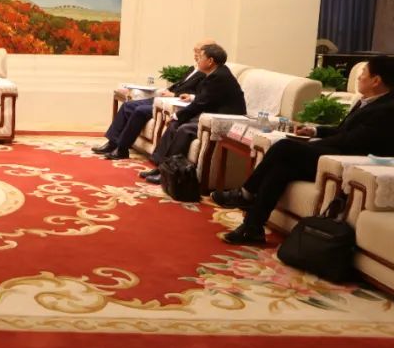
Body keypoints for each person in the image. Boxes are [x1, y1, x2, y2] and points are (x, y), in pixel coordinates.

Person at [212, 56, 394, 244]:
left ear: (376, 80)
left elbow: (352, 141)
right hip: (334, 153)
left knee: (283, 146)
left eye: (363, 73)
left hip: (349, 162)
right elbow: (342, 131)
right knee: (281, 169)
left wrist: (311, 145)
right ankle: (252, 228)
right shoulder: (367, 102)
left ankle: (246, 193)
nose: (359, 77)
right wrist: (315, 131)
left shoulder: (387, 109)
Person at [139, 43, 246, 184]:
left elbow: (201, 103)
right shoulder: (215, 74)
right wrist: (178, 117)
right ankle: (161, 168)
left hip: (224, 121)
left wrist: (178, 115)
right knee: (175, 124)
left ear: (210, 61)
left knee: (185, 129)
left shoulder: (219, 77)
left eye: (200, 57)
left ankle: (170, 173)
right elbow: (203, 99)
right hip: (211, 117)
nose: (197, 60)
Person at [93, 39, 213, 160]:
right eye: (194, 51)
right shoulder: (193, 68)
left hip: (173, 103)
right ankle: (112, 143)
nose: (195, 54)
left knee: (140, 110)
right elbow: (179, 85)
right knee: (127, 106)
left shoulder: (206, 73)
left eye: (198, 51)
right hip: (163, 98)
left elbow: (197, 95)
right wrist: (166, 91)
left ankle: (122, 149)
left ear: (208, 54)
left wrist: (174, 94)